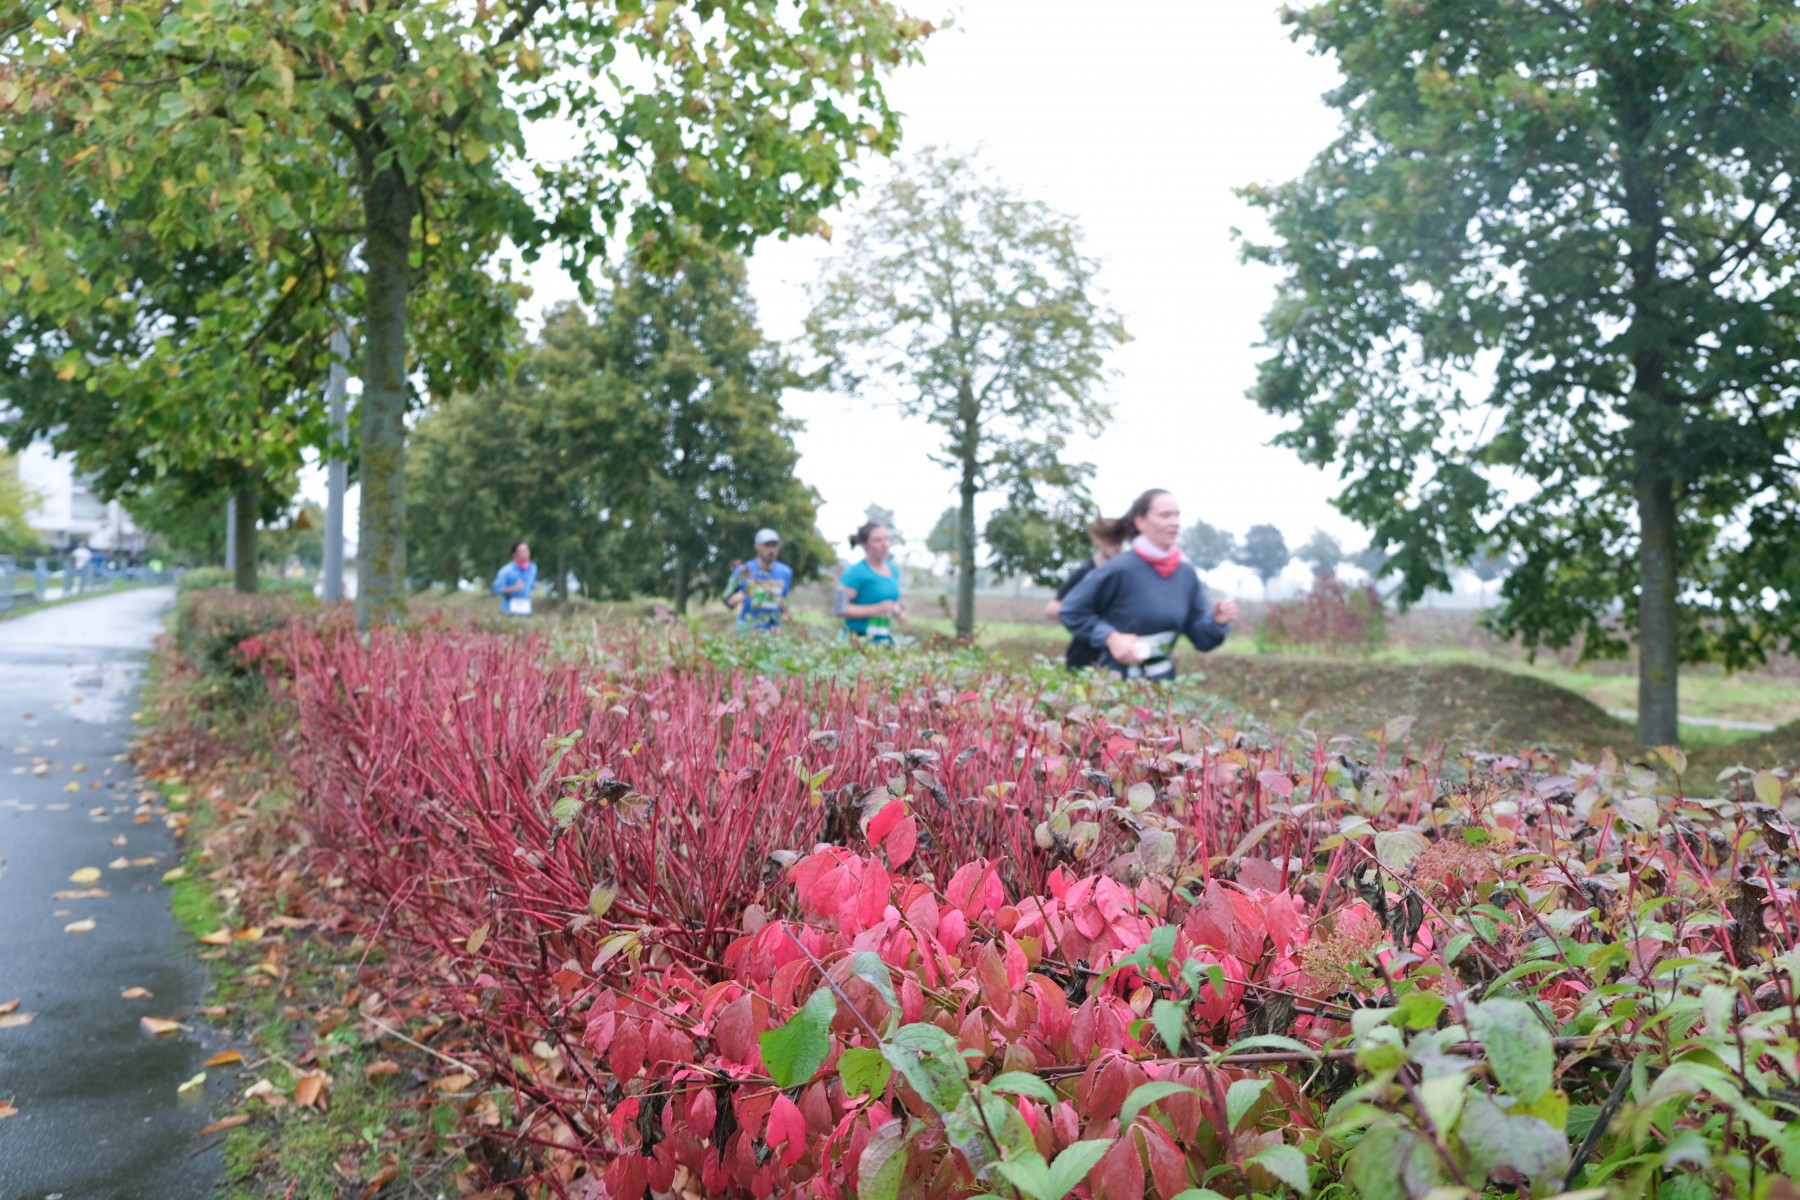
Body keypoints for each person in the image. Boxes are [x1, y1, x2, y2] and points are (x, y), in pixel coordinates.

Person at [1058, 489, 1240, 680]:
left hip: (1162, 685)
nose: (1175, 522)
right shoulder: (1118, 569)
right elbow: (1071, 611)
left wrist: (1216, 622)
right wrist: (1110, 637)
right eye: (1165, 515)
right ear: (1140, 522)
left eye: (1177, 515)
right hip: (1115, 686)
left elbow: (1202, 641)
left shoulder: (1186, 574)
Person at [1044, 519, 1126, 670]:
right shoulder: (1085, 573)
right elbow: (1052, 609)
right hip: (1084, 658)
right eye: (1112, 540)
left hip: (1116, 658)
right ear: (1098, 540)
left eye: (1120, 541)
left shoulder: (1122, 573)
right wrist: (1089, 620)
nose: (1118, 546)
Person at [836, 521, 904, 645]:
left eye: (886, 539)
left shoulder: (893, 570)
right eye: (877, 540)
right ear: (865, 545)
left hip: (883, 641)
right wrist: (878, 609)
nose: (884, 544)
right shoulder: (854, 572)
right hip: (856, 641)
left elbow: (891, 602)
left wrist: (898, 611)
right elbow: (839, 608)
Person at [724, 528, 794, 632]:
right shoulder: (741, 571)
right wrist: (733, 600)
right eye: (767, 545)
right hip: (746, 629)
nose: (771, 550)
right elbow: (725, 597)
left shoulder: (786, 572)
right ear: (757, 547)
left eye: (774, 545)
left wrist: (785, 613)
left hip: (773, 631)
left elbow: (783, 600)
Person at [492, 540, 538, 617]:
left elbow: (529, 586)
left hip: (526, 611)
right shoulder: (506, 571)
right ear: (514, 555)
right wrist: (513, 588)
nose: (526, 553)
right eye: (522, 551)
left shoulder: (533, 568)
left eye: (527, 550)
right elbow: (496, 589)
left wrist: (534, 585)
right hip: (509, 612)